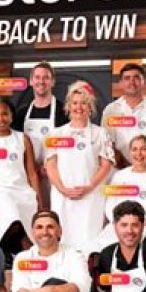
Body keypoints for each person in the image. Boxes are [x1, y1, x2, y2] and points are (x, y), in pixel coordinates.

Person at [45, 81, 114, 252]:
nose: (79, 107)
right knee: (63, 239)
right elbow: (50, 165)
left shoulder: (100, 133)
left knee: (89, 240)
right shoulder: (56, 134)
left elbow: (106, 165)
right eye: (75, 103)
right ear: (68, 106)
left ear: (90, 107)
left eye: (84, 103)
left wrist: (89, 187)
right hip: (63, 196)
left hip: (91, 196)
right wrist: (62, 189)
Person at [0, 97, 40, 261]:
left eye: (5, 114)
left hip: (22, 191)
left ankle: (13, 257)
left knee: (27, 229)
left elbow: (32, 173)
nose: (1, 119)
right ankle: (15, 255)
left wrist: (39, 199)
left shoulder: (23, 139)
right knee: (13, 218)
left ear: (11, 116)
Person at [92, 135, 146, 252]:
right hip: (121, 224)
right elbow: (109, 207)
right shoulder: (119, 176)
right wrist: (121, 222)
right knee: (99, 245)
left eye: (143, 149)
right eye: (134, 149)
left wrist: (141, 221)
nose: (139, 154)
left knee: (138, 244)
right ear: (130, 152)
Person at [13, 61, 69, 209]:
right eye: (37, 77)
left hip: (57, 176)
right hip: (29, 177)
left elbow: (69, 146)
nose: (41, 81)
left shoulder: (64, 112)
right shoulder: (21, 113)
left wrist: (50, 167)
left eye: (46, 77)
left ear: (53, 82)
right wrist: (31, 167)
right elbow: (16, 147)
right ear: (31, 81)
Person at [101, 63, 146, 168]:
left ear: (144, 82)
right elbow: (109, 145)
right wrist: (130, 171)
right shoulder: (111, 110)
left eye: (136, 77)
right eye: (127, 78)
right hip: (120, 172)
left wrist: (144, 170)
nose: (132, 82)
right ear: (120, 83)